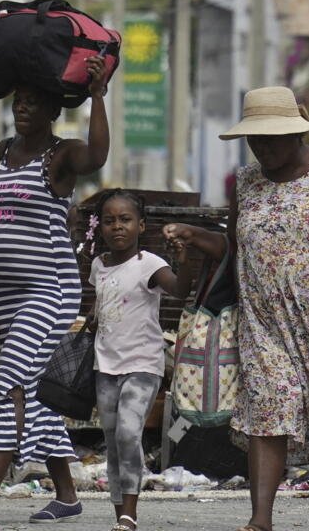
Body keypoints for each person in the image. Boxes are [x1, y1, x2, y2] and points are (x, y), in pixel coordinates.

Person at [162, 86, 309, 531]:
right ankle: (260, 519)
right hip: (265, 321)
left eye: (273, 137)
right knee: (267, 408)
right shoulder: (247, 182)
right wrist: (194, 236)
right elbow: (233, 247)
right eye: (256, 139)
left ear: (296, 132)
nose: (264, 147)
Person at [0, 55, 109, 526]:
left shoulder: (61, 156)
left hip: (52, 289)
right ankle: (66, 496)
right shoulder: (3, 151)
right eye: (20, 102)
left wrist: (98, 95)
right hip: (12, 295)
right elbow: (8, 213)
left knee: (10, 378)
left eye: (34, 104)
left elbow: (98, 157)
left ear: (52, 112)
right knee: (39, 393)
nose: (23, 109)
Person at [86, 189, 192, 531]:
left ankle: (130, 513)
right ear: (100, 226)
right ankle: (122, 517)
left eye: (125, 220)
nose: (117, 227)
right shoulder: (98, 265)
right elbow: (104, 299)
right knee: (114, 442)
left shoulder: (149, 264)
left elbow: (178, 289)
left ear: (141, 225)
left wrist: (184, 258)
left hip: (143, 366)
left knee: (129, 434)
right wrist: (93, 315)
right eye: (109, 220)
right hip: (105, 368)